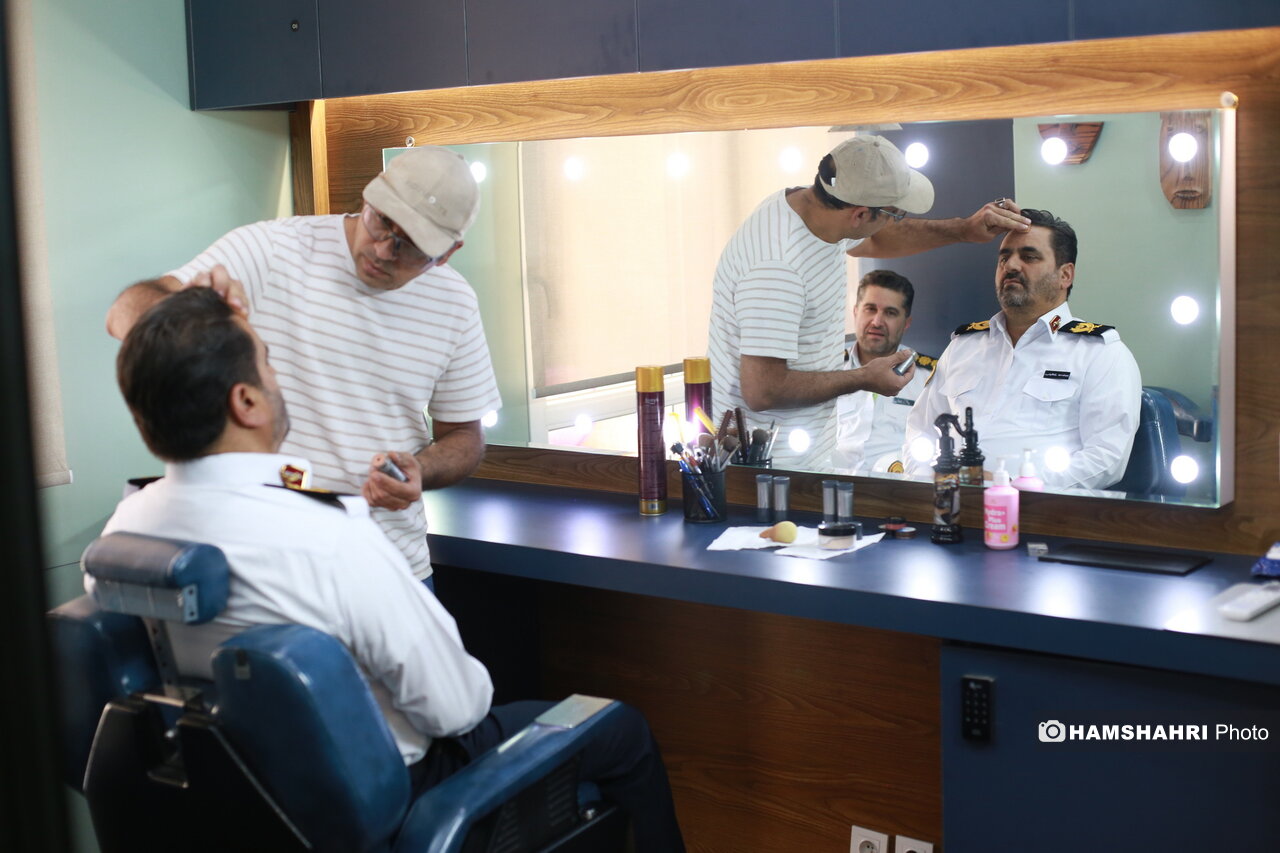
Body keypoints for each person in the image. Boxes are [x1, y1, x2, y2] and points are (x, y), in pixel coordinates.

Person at [91, 287, 686, 851]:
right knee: (621, 731)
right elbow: (457, 708)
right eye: (268, 363)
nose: (277, 377)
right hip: (388, 801)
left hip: (233, 802)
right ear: (245, 402)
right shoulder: (324, 535)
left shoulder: (125, 529)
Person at [105, 146, 499, 582]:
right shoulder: (273, 249)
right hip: (267, 560)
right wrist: (193, 313)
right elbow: (123, 313)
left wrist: (420, 469)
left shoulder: (455, 304)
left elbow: (465, 437)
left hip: (390, 562)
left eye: (410, 246)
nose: (384, 249)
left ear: (447, 253)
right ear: (369, 197)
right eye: (382, 221)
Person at [706, 134, 1030, 470]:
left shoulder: (815, 208)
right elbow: (763, 390)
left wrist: (964, 229)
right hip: (767, 469)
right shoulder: (776, 268)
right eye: (895, 214)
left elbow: (876, 238)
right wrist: (863, 378)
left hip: (809, 457)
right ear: (860, 215)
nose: (895, 220)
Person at [904, 208, 1141, 491]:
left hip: (1041, 508)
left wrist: (1012, 488)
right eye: (1004, 258)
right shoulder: (962, 347)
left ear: (1065, 275)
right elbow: (920, 430)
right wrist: (931, 486)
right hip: (948, 501)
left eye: (1029, 257)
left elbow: (1106, 458)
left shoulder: (1100, 353)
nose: (1011, 266)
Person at [831, 270, 935, 475]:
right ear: (855, 312)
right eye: (870, 309)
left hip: (897, 487)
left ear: (906, 323)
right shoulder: (828, 369)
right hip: (829, 481)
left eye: (890, 313)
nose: (877, 321)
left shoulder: (929, 377)